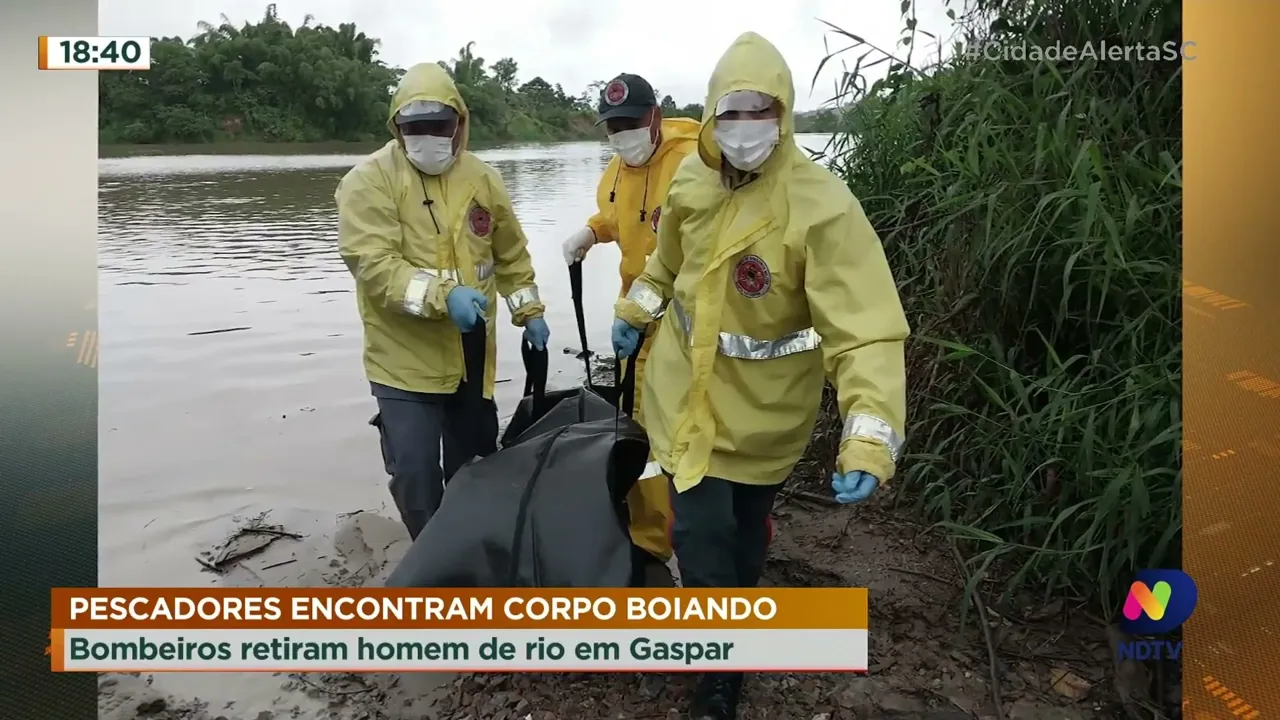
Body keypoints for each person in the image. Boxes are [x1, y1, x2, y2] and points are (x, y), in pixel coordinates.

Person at [610, 33, 909, 719]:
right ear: (711, 113)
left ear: (786, 113)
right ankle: (722, 673)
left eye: (760, 110)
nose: (745, 126)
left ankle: (733, 623)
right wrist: (638, 307)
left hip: (768, 417)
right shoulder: (690, 182)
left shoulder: (823, 207)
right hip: (686, 399)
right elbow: (665, 265)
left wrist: (868, 436)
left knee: (745, 532)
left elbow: (865, 330)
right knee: (699, 533)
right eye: (732, 110)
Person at [337, 62, 550, 541]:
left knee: (473, 469)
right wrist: (442, 295)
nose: (429, 136)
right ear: (398, 128)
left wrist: (529, 312)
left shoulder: (483, 179)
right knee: (414, 474)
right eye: (416, 127)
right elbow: (373, 264)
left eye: (441, 125)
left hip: (470, 362)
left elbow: (510, 254)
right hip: (401, 364)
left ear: (460, 123)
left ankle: (467, 553)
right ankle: (430, 557)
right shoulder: (367, 182)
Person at [561, 73, 700, 586]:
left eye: (631, 123)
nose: (622, 135)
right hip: (633, 320)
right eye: (613, 127)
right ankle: (649, 541)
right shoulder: (618, 171)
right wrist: (592, 232)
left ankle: (703, 537)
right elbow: (619, 219)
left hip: (685, 328)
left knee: (685, 432)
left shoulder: (695, 162)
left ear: (656, 116)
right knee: (637, 430)